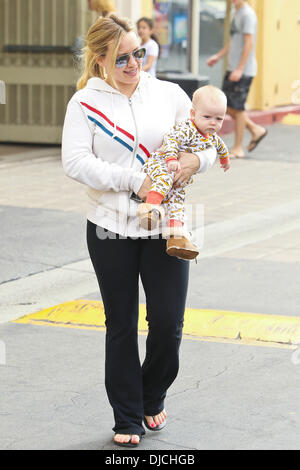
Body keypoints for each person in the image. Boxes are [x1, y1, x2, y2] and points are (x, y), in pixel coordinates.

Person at [62, 14, 217, 448]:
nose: (134, 64)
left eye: (140, 53)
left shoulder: (167, 93)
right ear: (100, 61)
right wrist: (134, 179)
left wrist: (194, 162)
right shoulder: (84, 104)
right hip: (110, 225)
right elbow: (74, 161)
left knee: (168, 324)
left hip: (167, 226)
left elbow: (203, 138)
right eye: (123, 58)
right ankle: (128, 417)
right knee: (122, 325)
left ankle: (154, 393)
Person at [137, 85, 230, 260]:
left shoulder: (211, 136)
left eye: (219, 119)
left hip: (178, 172)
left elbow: (221, 148)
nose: (213, 123)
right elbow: (171, 140)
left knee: (178, 198)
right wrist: (171, 159)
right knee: (164, 180)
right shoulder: (187, 129)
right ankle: (150, 209)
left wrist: (225, 160)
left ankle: (176, 235)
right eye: (207, 117)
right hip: (161, 163)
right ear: (193, 114)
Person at [206, 0, 267, 158]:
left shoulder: (248, 14)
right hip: (232, 67)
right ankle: (255, 129)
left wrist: (240, 69)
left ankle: (238, 148)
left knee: (238, 109)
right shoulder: (235, 12)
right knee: (228, 107)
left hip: (243, 70)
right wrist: (218, 57)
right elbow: (234, 41)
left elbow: (248, 43)